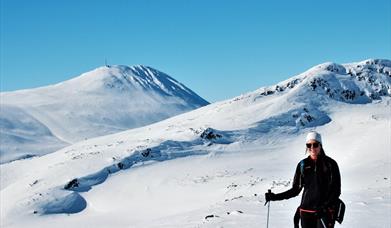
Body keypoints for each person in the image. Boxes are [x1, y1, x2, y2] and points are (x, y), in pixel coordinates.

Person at [265, 131, 341, 228]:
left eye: (315, 144)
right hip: (306, 212)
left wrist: (324, 207)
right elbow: (295, 190)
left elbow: (336, 190)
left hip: (324, 213)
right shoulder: (303, 165)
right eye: (309, 145)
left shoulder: (330, 164)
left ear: (320, 145)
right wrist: (274, 197)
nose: (312, 148)